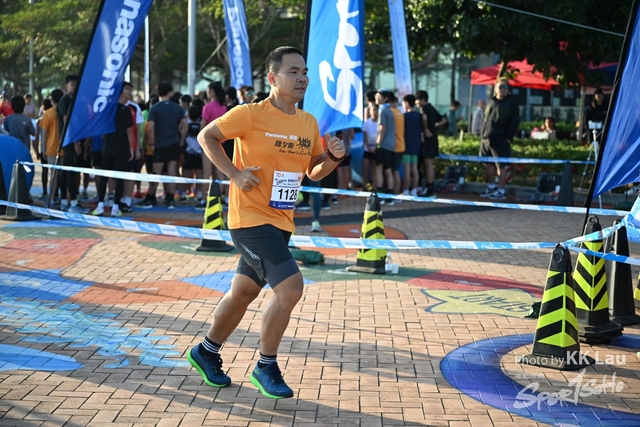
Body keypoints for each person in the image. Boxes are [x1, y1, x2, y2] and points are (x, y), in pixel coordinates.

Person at [191, 46, 345, 399]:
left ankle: (206, 351)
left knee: (244, 292)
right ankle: (266, 365)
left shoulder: (308, 122)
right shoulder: (249, 114)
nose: (302, 78)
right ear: (273, 78)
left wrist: (333, 158)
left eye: (304, 72)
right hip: (249, 220)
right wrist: (234, 173)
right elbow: (206, 137)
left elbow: (314, 171)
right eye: (293, 72)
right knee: (290, 289)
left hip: (281, 222)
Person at [136, 82, 187, 209]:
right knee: (172, 172)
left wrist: (152, 143)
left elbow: (150, 128)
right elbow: (185, 125)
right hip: (174, 143)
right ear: (169, 92)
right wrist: (181, 140)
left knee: (156, 172)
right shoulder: (177, 108)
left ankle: (150, 197)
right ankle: (170, 199)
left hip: (160, 144)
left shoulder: (154, 108)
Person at [91, 84, 134, 217]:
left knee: (104, 177)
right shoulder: (126, 110)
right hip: (122, 148)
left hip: (107, 148)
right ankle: (115, 207)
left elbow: (102, 132)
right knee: (120, 178)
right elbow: (129, 131)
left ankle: (100, 206)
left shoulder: (107, 109)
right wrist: (131, 148)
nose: (129, 92)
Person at [479, 78, 520, 200]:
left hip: (500, 139)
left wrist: (508, 138)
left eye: (505, 87)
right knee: (487, 163)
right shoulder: (491, 101)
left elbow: (515, 121)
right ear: (495, 88)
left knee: (501, 165)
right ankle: (491, 187)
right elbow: (486, 119)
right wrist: (482, 134)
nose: (503, 90)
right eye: (501, 87)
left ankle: (501, 190)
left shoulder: (511, 103)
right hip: (486, 138)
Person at [415, 90, 446, 197]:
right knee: (429, 165)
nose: (416, 102)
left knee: (428, 165)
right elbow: (444, 120)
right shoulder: (432, 108)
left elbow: (424, 118)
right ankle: (429, 187)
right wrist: (435, 126)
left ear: (423, 99)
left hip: (427, 140)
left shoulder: (424, 109)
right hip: (433, 139)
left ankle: (429, 189)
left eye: (417, 100)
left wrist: (426, 129)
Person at [40, 89, 64, 206]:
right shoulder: (65, 111)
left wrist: (43, 149)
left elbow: (44, 133)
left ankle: (52, 199)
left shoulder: (47, 113)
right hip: (65, 148)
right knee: (64, 175)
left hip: (51, 149)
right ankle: (64, 199)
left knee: (53, 175)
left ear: (52, 100)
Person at [374, 89, 396, 200]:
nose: (376, 99)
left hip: (383, 144)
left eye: (379, 97)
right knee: (388, 170)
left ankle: (379, 194)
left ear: (385, 98)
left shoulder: (382, 110)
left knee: (379, 168)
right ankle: (390, 194)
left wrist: (378, 143)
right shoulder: (390, 110)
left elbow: (382, 128)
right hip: (391, 145)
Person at [183, 105, 205, 209]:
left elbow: (183, 135)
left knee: (186, 173)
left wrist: (181, 143)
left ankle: (184, 194)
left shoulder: (187, 124)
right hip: (199, 152)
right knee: (199, 174)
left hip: (188, 152)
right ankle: (200, 194)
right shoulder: (201, 125)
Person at [401, 94, 421, 196]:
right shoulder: (419, 116)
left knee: (407, 170)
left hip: (406, 146)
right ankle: (414, 190)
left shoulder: (404, 116)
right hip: (416, 146)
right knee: (415, 170)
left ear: (407, 103)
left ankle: (406, 191)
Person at [361, 103, 378, 191]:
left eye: (376, 110)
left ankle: (374, 186)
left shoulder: (380, 122)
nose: (374, 112)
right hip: (367, 149)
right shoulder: (367, 122)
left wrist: (375, 147)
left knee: (374, 168)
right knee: (365, 167)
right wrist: (368, 147)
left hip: (376, 149)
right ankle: (364, 185)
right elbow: (365, 136)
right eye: (372, 110)